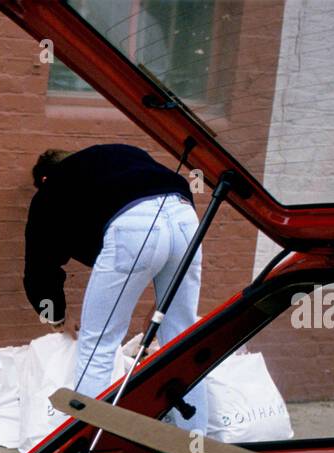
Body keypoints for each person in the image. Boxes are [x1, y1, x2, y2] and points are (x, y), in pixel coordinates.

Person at [23, 144, 207, 427]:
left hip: (133, 224)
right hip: (185, 216)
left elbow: (40, 266)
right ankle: (196, 441)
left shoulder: (52, 187)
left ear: (44, 179)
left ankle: (87, 444)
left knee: (98, 345)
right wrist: (162, 307)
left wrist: (56, 317)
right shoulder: (116, 158)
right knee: (182, 338)